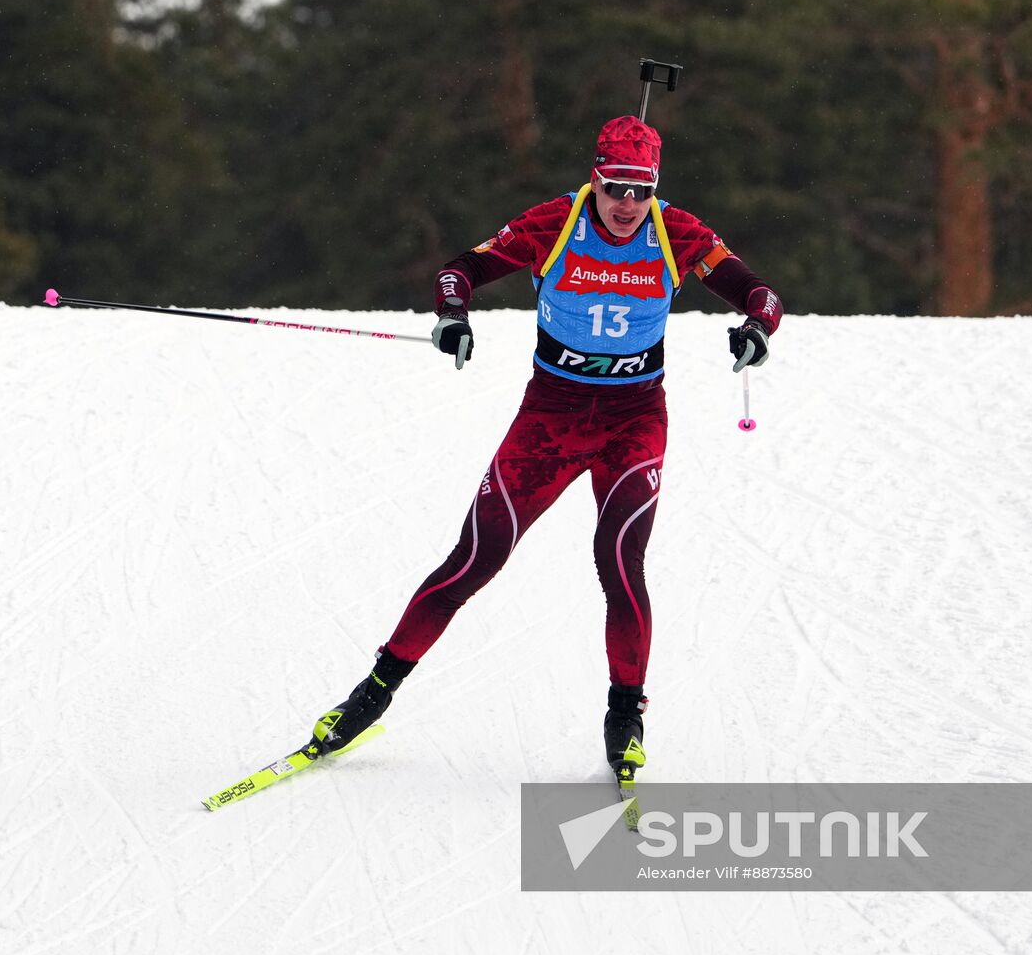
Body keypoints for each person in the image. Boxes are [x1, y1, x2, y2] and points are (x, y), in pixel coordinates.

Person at [309, 115, 783, 780]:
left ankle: (625, 716)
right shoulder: (554, 223)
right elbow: (460, 270)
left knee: (619, 562)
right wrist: (452, 316)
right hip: (550, 419)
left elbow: (760, 294)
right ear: (595, 180)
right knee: (475, 558)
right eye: (615, 188)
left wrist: (756, 328)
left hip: (633, 421)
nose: (627, 205)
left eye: (641, 191)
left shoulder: (676, 233)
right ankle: (372, 693)